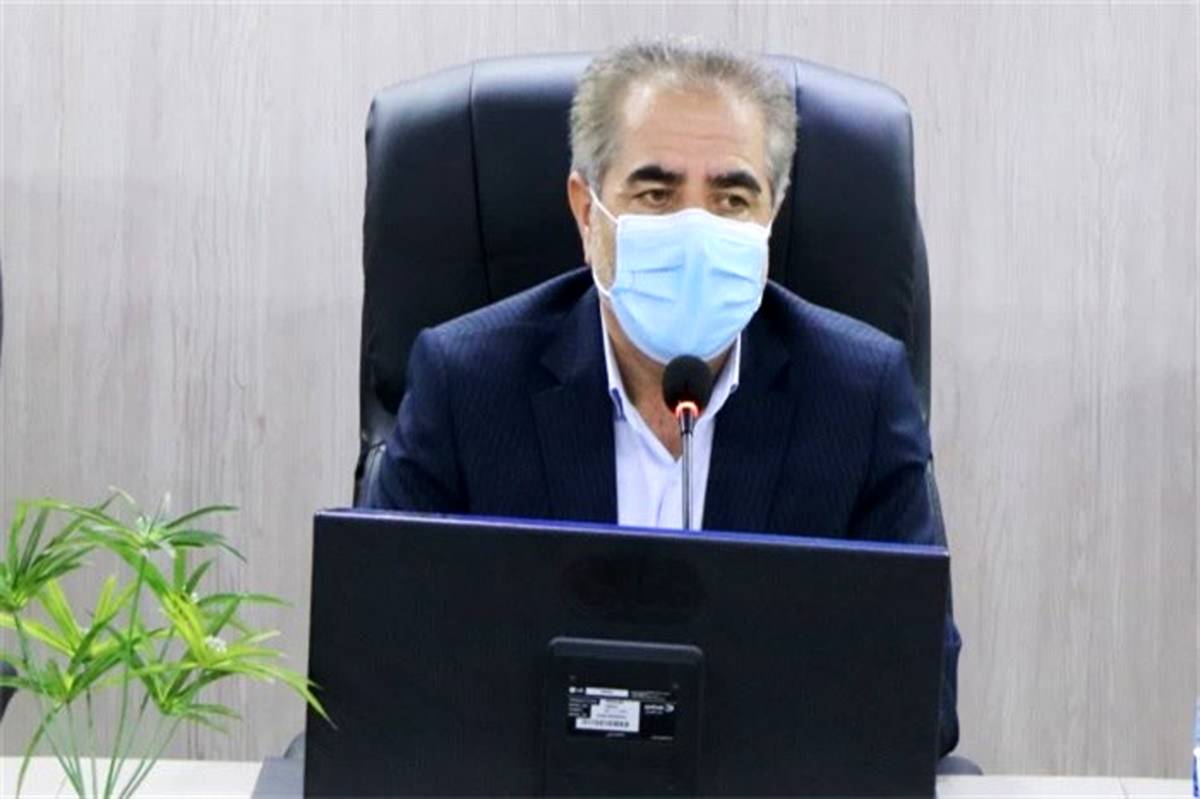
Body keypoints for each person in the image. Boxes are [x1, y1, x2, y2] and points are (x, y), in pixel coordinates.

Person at [366, 37, 961, 756]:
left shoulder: (858, 395)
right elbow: (381, 666)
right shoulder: (466, 383)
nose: (695, 226)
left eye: (732, 198)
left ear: (772, 216)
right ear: (587, 212)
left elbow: (922, 700)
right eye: (656, 193)